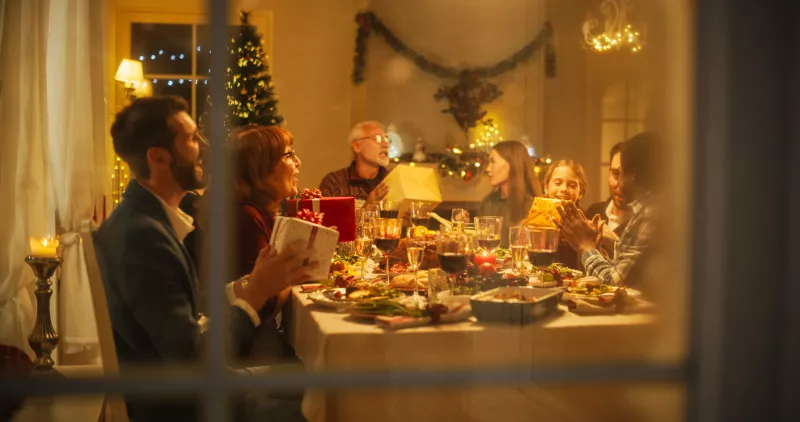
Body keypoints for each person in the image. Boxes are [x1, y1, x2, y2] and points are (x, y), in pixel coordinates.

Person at [95, 95, 312, 422]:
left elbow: (189, 306)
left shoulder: (150, 218)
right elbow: (193, 361)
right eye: (193, 139)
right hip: (182, 405)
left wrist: (252, 282)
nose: (206, 149)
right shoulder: (143, 236)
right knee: (338, 402)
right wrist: (254, 296)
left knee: (327, 375)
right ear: (159, 158)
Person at [557, 132, 661, 286]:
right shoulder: (644, 210)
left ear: (633, 173)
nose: (618, 180)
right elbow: (620, 272)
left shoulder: (649, 214)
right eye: (614, 173)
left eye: (621, 172)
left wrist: (586, 246)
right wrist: (595, 247)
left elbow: (613, 283)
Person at [478, 140, 543, 247]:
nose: (488, 169)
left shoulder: (533, 206)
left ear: (512, 163)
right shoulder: (488, 203)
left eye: (493, 162)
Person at [319, 121, 391, 207]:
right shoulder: (334, 183)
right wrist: (368, 206)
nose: (385, 144)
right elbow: (327, 218)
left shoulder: (390, 181)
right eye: (378, 138)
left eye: (386, 139)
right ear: (357, 146)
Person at [542, 159, 589, 269]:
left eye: (572, 185)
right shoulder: (529, 225)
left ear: (580, 193)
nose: (564, 189)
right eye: (557, 183)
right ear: (546, 188)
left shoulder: (586, 228)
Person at [586, 142, 631, 236]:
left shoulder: (643, 224)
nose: (621, 184)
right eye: (616, 174)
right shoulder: (593, 212)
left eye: (628, 176)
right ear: (609, 173)